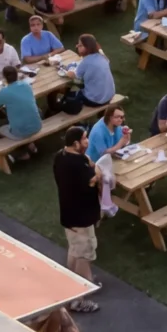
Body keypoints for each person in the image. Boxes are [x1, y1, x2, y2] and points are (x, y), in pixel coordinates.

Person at [53, 125, 103, 311]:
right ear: (76, 143)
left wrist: (89, 163)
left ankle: (70, 285)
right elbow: (94, 179)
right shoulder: (77, 166)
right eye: (84, 139)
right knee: (84, 255)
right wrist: (97, 171)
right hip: (81, 218)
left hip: (69, 215)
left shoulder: (61, 157)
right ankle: (80, 298)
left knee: (74, 250)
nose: (87, 141)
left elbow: (86, 161)